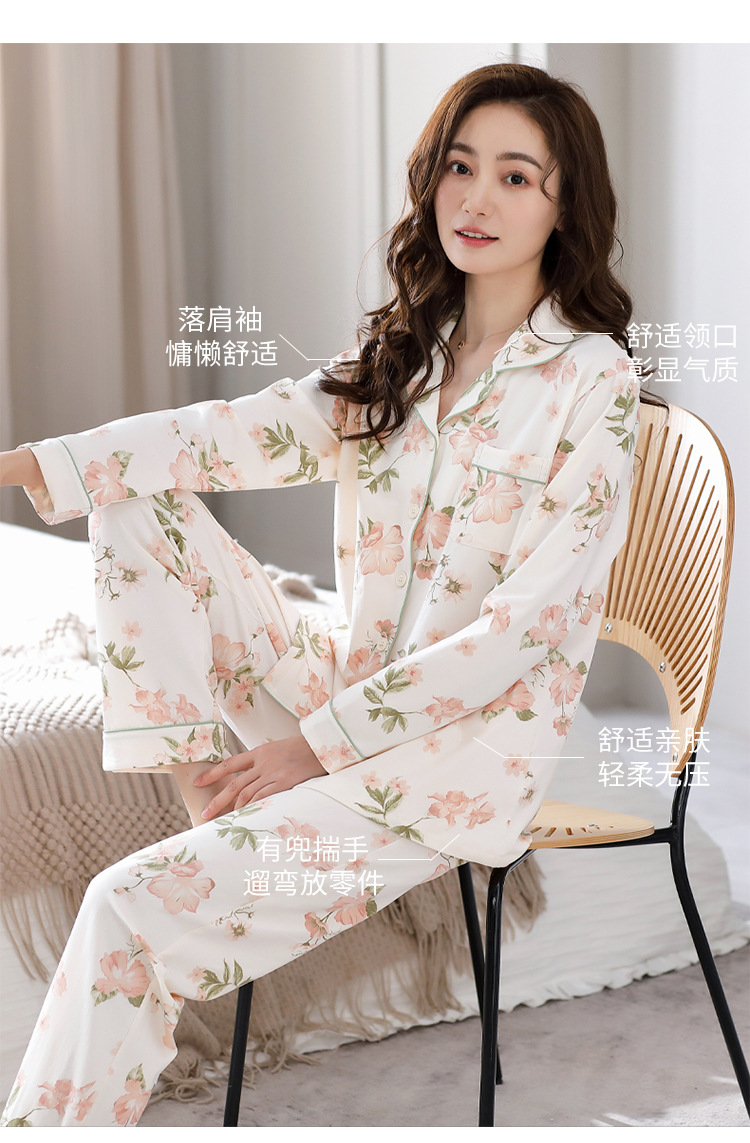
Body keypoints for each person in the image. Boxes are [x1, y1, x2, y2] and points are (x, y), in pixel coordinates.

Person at [0, 62, 643, 1126]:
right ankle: (205, 793)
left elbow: (520, 635)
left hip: (455, 763)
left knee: (125, 907)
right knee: (130, 497)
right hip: (352, 693)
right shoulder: (412, 352)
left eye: (516, 177)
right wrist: (30, 463)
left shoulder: (594, 383)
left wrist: (316, 748)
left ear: (565, 205)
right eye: (459, 167)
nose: (476, 199)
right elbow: (233, 432)